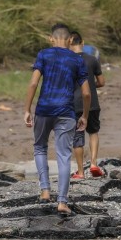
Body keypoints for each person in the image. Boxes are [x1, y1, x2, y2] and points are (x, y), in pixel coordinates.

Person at [24, 23, 90, 216]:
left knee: (39, 147)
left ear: (50, 39)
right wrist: (84, 115)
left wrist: (27, 109)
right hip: (66, 113)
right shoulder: (77, 60)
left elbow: (34, 82)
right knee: (63, 156)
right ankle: (62, 202)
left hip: (44, 110)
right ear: (70, 40)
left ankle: (45, 190)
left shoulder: (43, 54)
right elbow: (86, 93)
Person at [69, 31, 106, 179]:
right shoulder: (92, 59)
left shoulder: (68, 62)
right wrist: (90, 85)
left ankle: (80, 172)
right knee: (93, 132)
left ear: (68, 44)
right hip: (93, 103)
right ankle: (93, 164)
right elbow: (102, 82)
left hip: (75, 104)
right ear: (82, 43)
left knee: (77, 137)